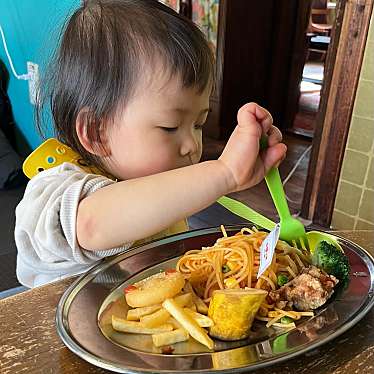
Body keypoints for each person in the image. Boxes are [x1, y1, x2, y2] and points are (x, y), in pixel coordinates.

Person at [15, 0, 286, 288]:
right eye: (170, 127)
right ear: (96, 132)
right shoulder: (55, 194)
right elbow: (90, 225)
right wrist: (225, 173)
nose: (192, 145)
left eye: (198, 124)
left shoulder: (156, 179)